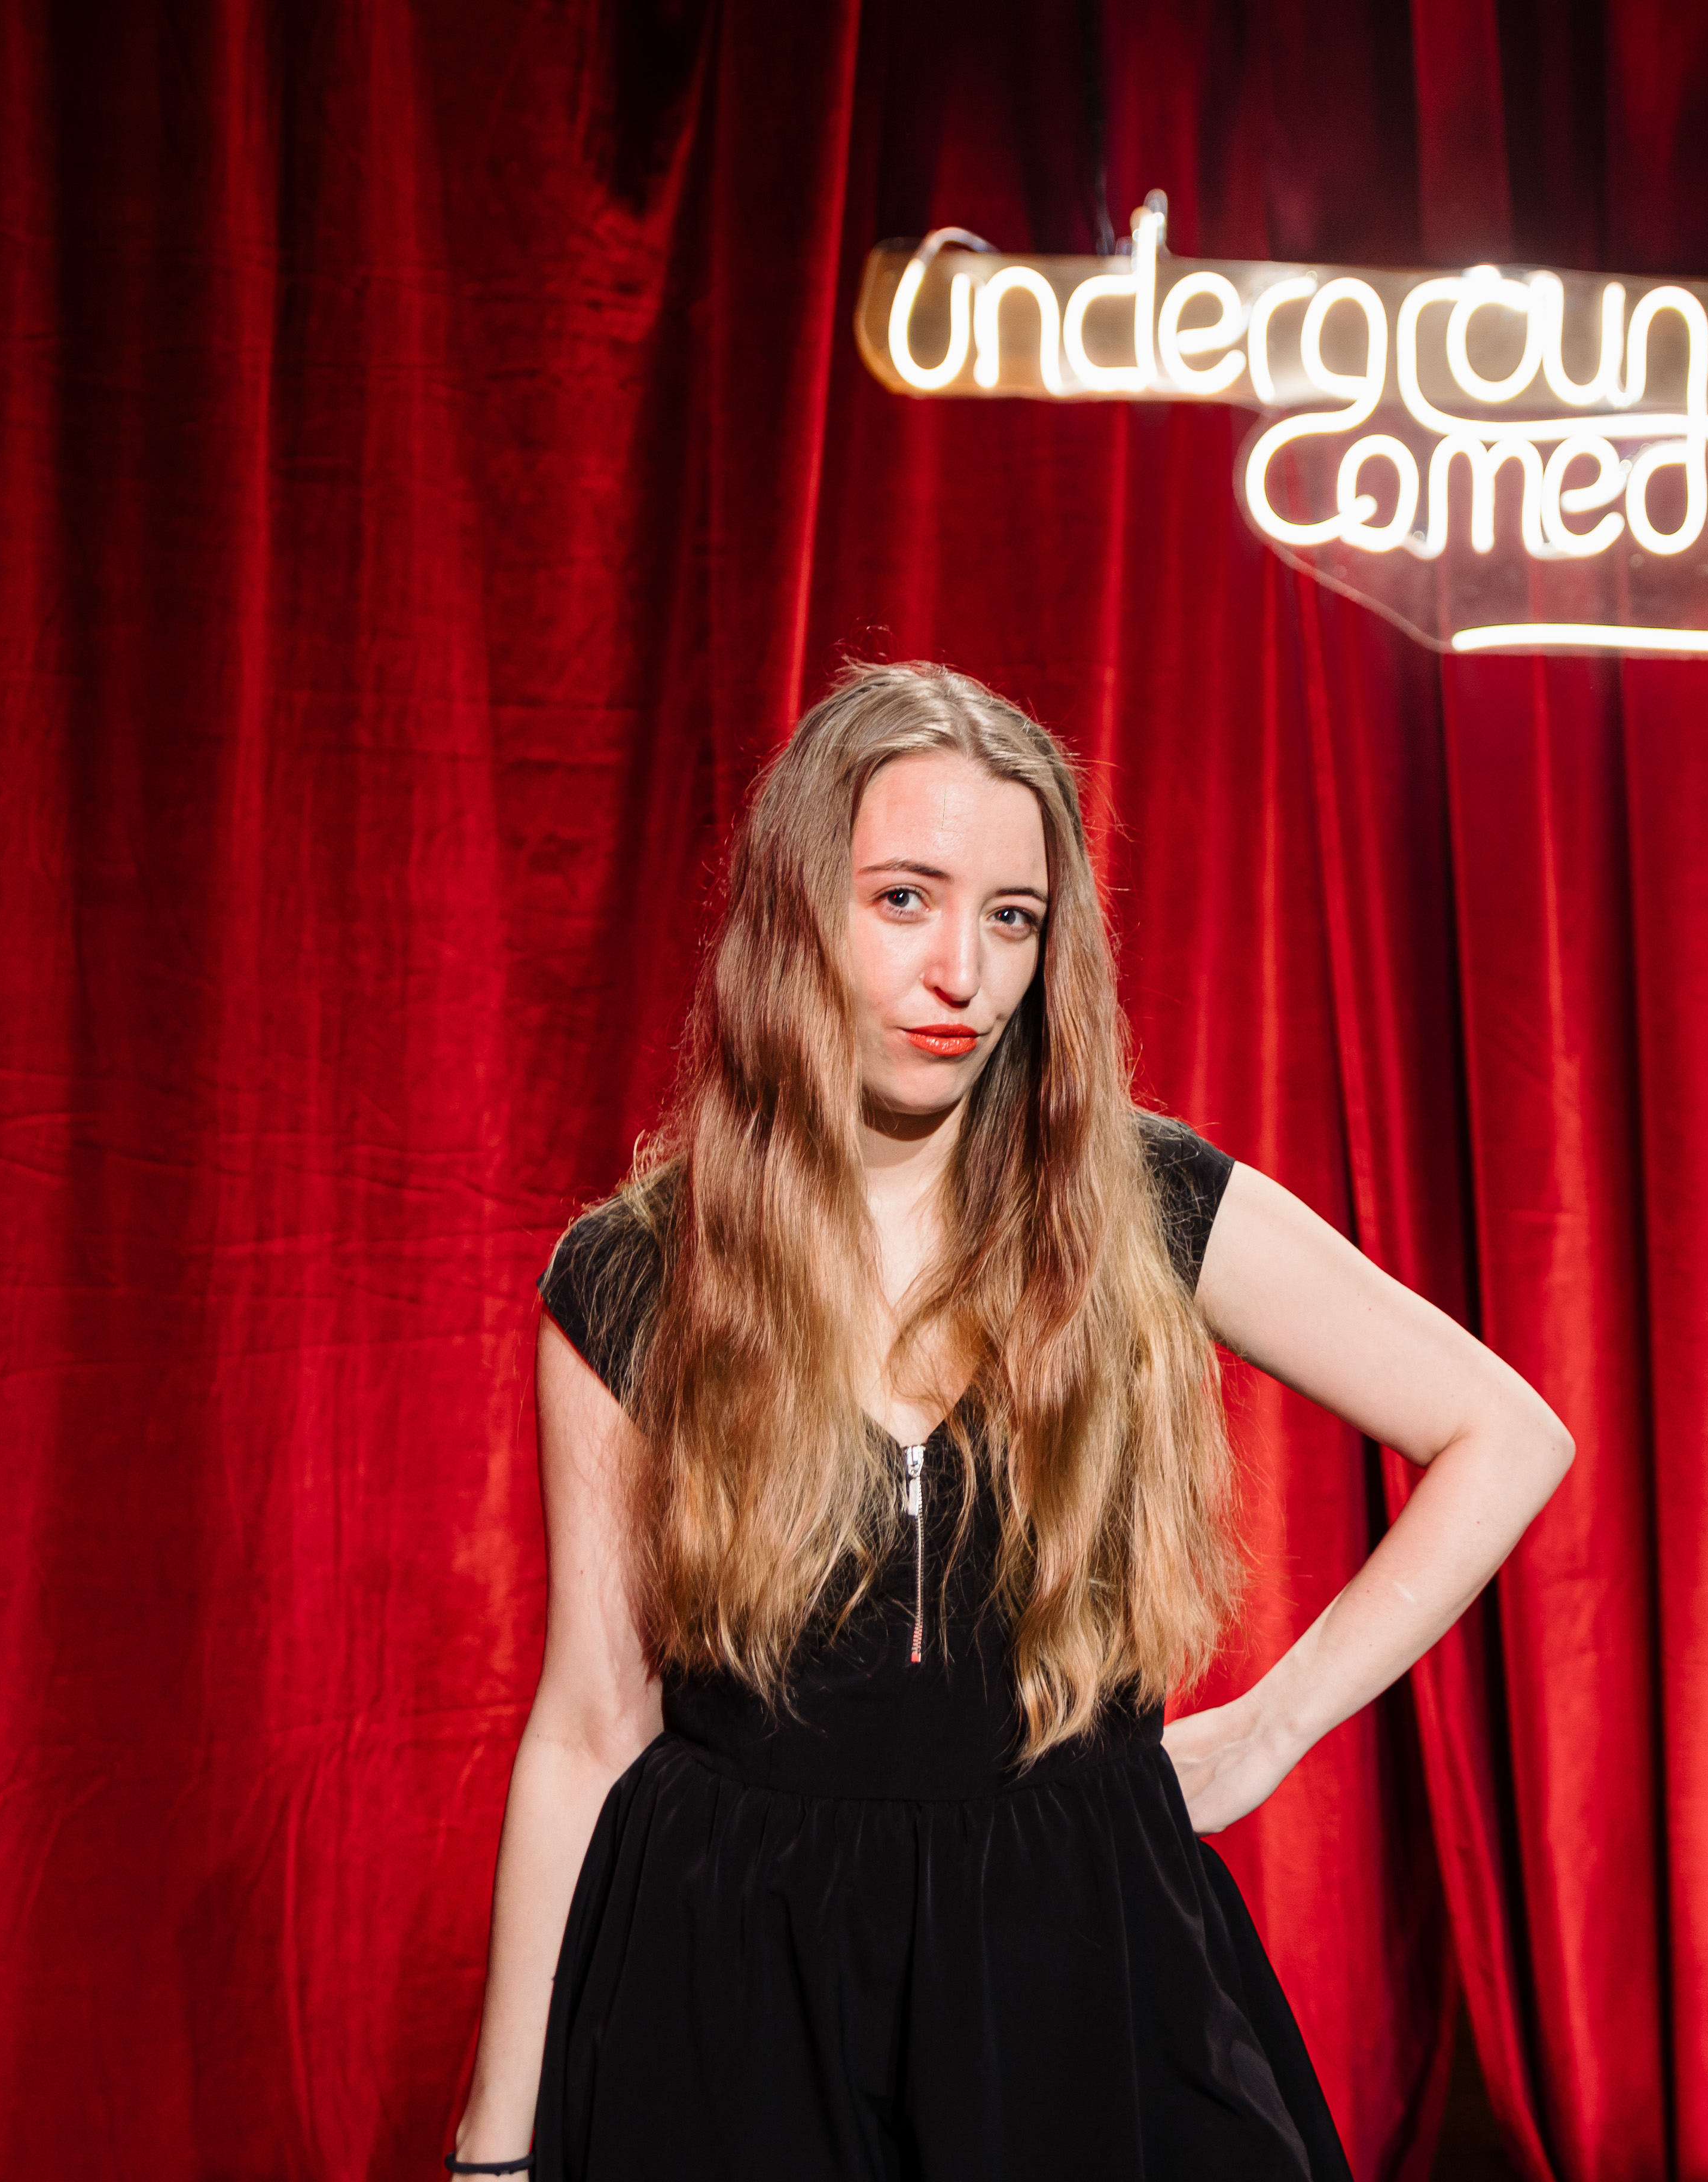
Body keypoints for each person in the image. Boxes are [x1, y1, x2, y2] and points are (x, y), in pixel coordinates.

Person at [449, 662, 1573, 2179]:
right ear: (795, 913)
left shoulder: (1142, 1204)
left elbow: (1504, 1434)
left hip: (1076, 1964)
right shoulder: (636, 1273)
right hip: (738, 1986)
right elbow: (592, 1723)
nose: (963, 974)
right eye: (905, 900)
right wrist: (495, 2149)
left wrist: (1269, 1733)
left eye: (1014, 918)